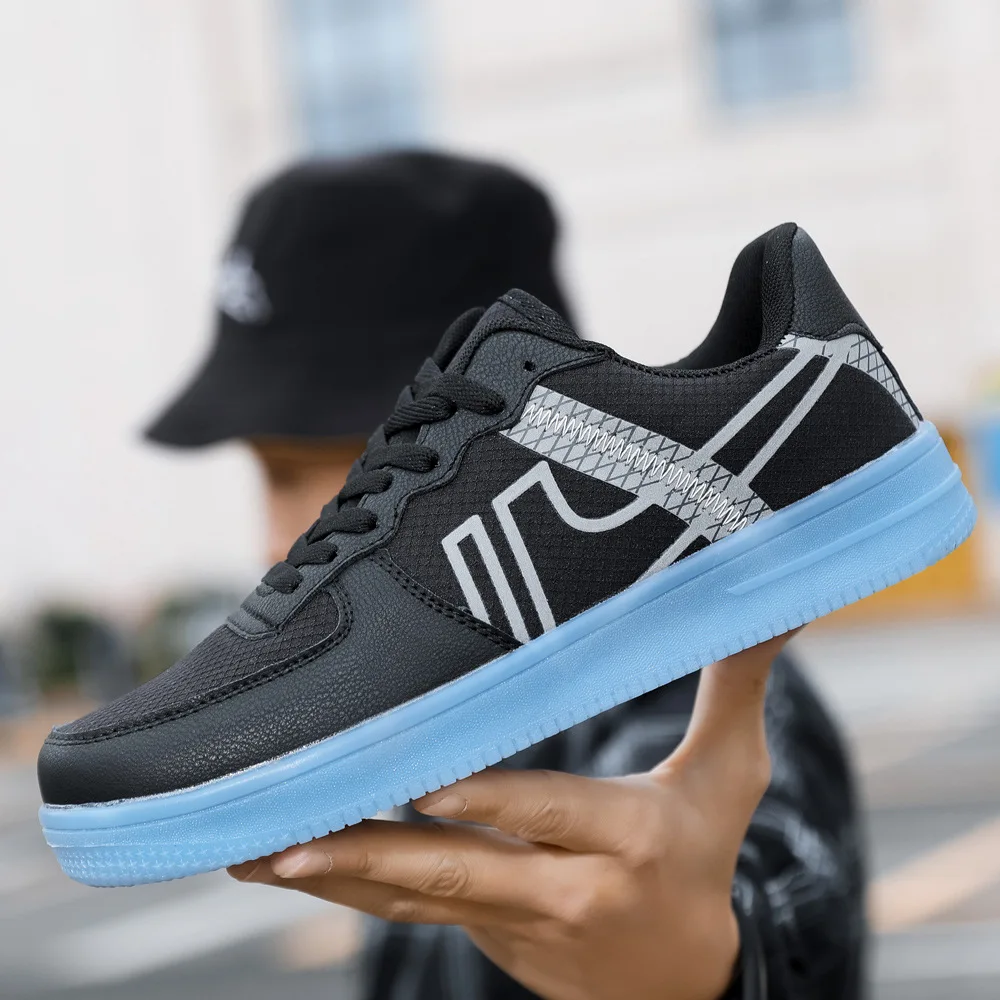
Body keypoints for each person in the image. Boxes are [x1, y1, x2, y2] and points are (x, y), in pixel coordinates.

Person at [147, 151, 866, 999]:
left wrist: (705, 966)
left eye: (353, 480)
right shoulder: (430, 692)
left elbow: (758, 880)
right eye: (267, 471)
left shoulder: (690, 694)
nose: (276, 537)